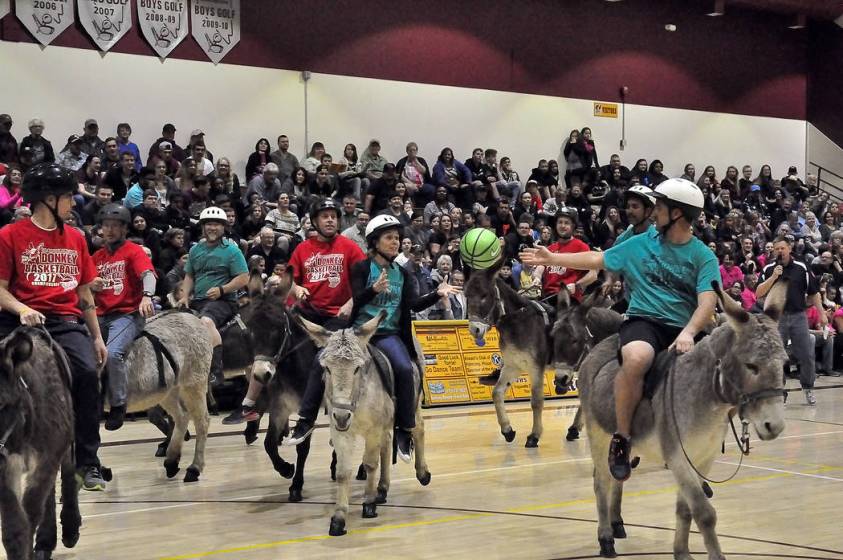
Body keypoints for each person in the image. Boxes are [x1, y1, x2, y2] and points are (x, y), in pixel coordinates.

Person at [521, 178, 719, 482]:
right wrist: (552, 257)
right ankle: (622, 439)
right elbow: (599, 259)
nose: (655, 213)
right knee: (636, 357)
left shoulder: (702, 255)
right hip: (645, 320)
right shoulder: (641, 243)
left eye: (661, 208)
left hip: (684, 326)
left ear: (677, 213)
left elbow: (707, 302)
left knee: (725, 368)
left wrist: (689, 332)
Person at [0, 163, 109, 490]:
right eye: (67, 198)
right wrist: (22, 309)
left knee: (89, 375)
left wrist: (97, 337)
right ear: (47, 199)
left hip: (64, 322)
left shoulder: (76, 238)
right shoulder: (9, 235)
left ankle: (87, 461)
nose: (73, 203)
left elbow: (84, 292)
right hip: (17, 320)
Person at [348, 214, 460, 459]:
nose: (395, 242)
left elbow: (413, 305)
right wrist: (373, 290)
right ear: (374, 241)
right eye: (389, 238)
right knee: (322, 362)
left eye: (397, 238)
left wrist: (437, 294)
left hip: (387, 334)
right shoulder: (361, 268)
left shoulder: (403, 273)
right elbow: (354, 302)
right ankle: (306, 417)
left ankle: (404, 430)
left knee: (404, 369)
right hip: (358, 333)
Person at [270, 199, 367, 441]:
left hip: (337, 317)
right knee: (271, 344)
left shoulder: (350, 247)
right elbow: (289, 281)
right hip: (308, 313)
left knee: (319, 360)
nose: (330, 220)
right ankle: (257, 403)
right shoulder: (302, 249)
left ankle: (305, 420)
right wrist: (297, 289)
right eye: (324, 216)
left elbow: (364, 282)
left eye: (333, 215)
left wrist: (351, 302)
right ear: (315, 221)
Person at [91, 204, 156, 431]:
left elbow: (148, 275)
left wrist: (147, 296)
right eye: (106, 226)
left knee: (113, 353)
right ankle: (94, 400)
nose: (109, 230)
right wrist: (90, 284)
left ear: (124, 229)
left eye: (115, 226)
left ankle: (118, 404)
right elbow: (83, 285)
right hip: (100, 314)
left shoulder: (133, 251)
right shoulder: (97, 256)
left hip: (127, 314)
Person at [176, 206, 249, 387]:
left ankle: (215, 371)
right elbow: (190, 276)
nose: (212, 228)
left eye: (217, 224)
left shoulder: (232, 251)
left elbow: (243, 277)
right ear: (203, 227)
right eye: (209, 224)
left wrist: (222, 290)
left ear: (224, 227)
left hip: (223, 301)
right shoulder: (195, 250)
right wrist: (185, 296)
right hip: (198, 301)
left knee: (206, 322)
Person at [756, 235, 824, 405]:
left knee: (807, 354)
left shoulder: (802, 267)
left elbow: (814, 292)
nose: (780, 251)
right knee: (775, 356)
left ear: (789, 249)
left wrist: (822, 313)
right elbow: (758, 293)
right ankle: (779, 390)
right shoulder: (769, 269)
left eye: (782, 248)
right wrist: (773, 278)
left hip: (798, 316)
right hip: (777, 318)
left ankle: (808, 387)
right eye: (776, 248)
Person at [531, 208, 596, 301]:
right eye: (560, 222)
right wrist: (537, 277)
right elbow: (540, 268)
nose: (562, 225)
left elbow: (593, 275)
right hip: (547, 297)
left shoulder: (582, 247)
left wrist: (577, 285)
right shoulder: (549, 249)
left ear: (573, 226)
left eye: (566, 223)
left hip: (569, 299)